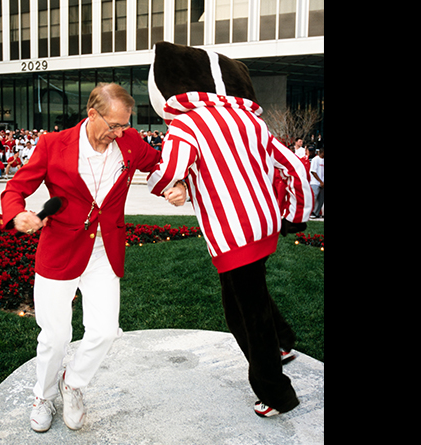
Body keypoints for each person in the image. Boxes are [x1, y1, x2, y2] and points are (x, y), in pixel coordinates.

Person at [0, 82, 182, 434]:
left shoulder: (127, 142)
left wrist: (178, 187)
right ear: (92, 113)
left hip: (104, 250)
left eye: (125, 126)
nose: (120, 132)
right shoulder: (53, 145)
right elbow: (16, 188)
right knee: (55, 337)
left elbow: (160, 168)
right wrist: (17, 213)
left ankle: (73, 384)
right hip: (60, 251)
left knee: (104, 331)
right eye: (114, 125)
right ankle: (43, 395)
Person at [147, 41, 313, 419]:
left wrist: (163, 184)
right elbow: (296, 169)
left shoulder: (187, 123)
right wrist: (295, 215)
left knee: (244, 313)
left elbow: (169, 172)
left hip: (230, 232)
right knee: (251, 292)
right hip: (263, 224)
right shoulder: (253, 121)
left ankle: (277, 393)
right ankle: (283, 341)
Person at [309, 146, 324, 219]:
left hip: (322, 183)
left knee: (321, 199)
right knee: (314, 198)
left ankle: (316, 213)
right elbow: (313, 171)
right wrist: (320, 181)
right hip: (315, 182)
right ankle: (311, 212)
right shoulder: (315, 159)